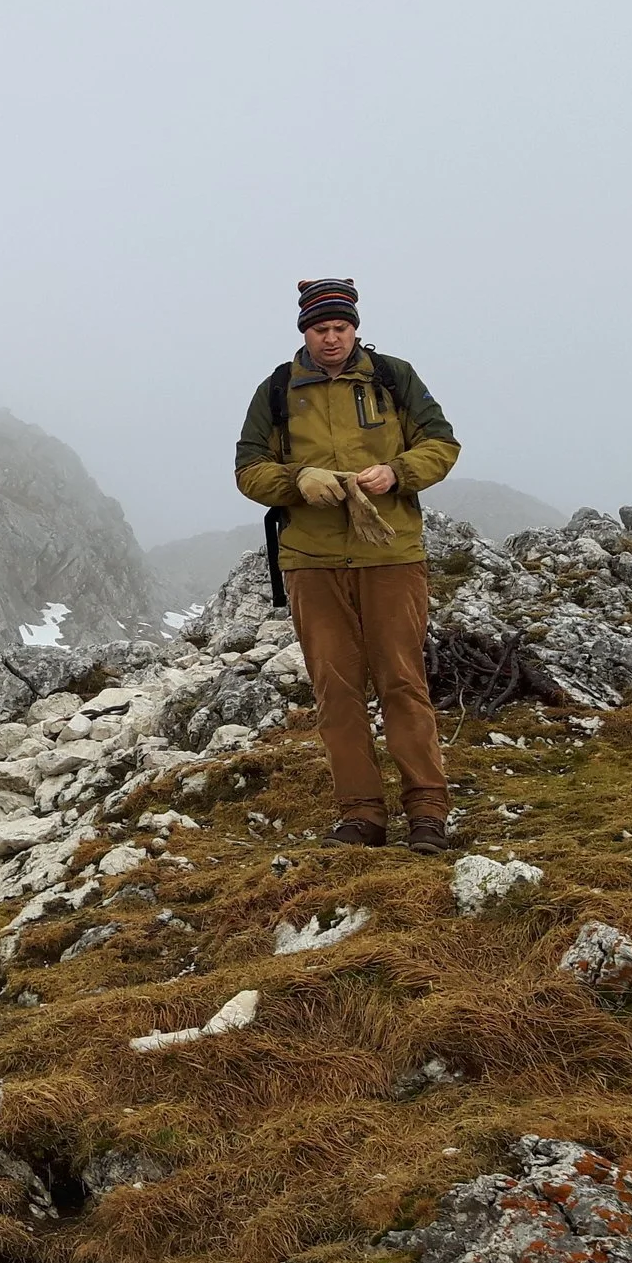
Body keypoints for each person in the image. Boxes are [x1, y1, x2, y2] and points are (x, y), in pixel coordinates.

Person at [233, 278, 463, 853]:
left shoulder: (393, 377)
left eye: (339, 328)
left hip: (391, 554)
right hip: (312, 561)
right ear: (304, 332)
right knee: (335, 690)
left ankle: (427, 813)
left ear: (354, 328)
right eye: (319, 329)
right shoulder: (278, 390)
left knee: (403, 683)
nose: (330, 339)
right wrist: (296, 481)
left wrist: (398, 473)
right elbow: (247, 469)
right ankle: (360, 816)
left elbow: (442, 444)